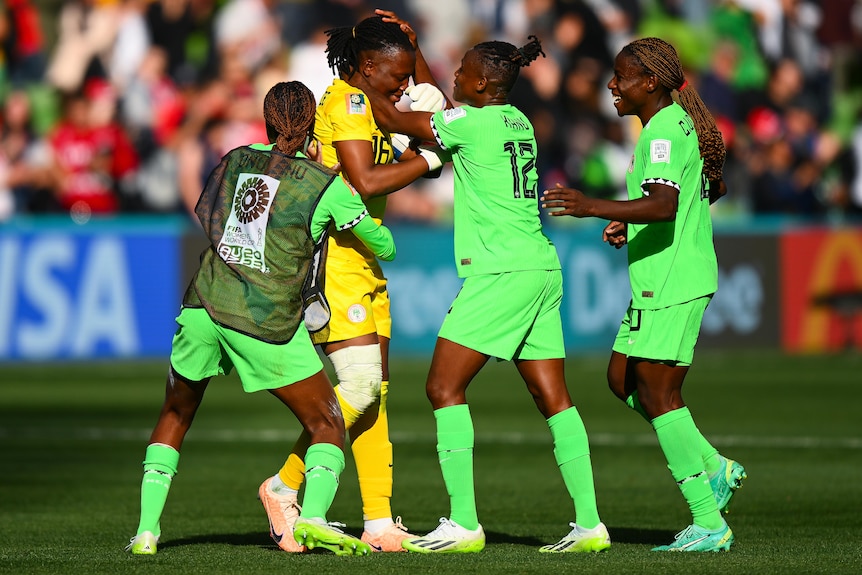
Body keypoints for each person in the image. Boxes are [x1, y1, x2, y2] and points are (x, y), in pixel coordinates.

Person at [125, 80, 399, 557]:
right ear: (313, 124)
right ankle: (312, 519)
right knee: (328, 423)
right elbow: (386, 246)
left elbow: (208, 212)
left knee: (174, 414)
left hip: (204, 306)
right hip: (265, 318)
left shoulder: (235, 159)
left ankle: (147, 533)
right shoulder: (325, 185)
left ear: (267, 121)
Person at [365, 36, 610, 554]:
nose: (452, 77)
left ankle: (464, 524)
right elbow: (451, 112)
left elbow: (391, 119)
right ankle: (590, 524)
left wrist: (364, 79)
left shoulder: (469, 125)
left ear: (480, 83)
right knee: (554, 399)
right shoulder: (515, 121)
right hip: (542, 266)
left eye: (461, 71)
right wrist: (416, 53)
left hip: (500, 273)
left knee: (441, 388)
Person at [540, 37, 746, 552]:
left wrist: (592, 206)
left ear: (649, 82)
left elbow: (664, 206)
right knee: (621, 378)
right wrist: (626, 226)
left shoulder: (661, 132)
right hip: (661, 274)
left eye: (622, 76)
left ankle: (708, 521)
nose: (613, 84)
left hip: (673, 280)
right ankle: (713, 465)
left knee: (658, 395)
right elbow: (701, 191)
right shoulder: (672, 125)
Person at [258, 10, 448, 553]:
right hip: (334, 263)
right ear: (367, 66)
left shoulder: (375, 100)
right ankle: (284, 484)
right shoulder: (348, 104)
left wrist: (414, 41)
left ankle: (379, 518)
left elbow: (445, 113)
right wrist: (429, 160)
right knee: (361, 388)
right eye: (397, 75)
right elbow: (362, 182)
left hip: (363, 261)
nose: (407, 85)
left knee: (375, 395)